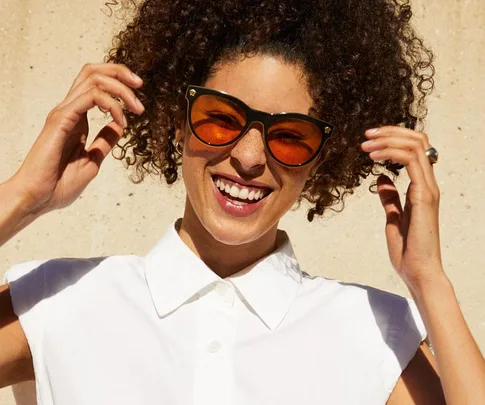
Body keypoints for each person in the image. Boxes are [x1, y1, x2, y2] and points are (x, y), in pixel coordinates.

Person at [0, 0, 484, 403]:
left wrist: (429, 282)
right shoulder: (58, 298)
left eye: (292, 136)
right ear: (176, 117)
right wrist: (24, 197)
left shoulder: (374, 329)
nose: (249, 158)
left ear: (321, 160)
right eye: (220, 118)